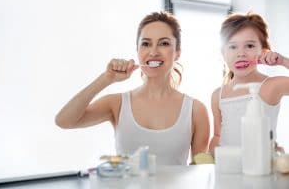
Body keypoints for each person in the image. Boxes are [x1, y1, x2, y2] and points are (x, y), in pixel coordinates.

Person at [55, 11, 210, 165]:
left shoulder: (195, 110)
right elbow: (64, 121)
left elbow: (200, 170)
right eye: (146, 44)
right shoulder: (117, 104)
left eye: (164, 43)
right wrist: (106, 79)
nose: (153, 52)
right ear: (137, 51)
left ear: (177, 53)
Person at [209, 12, 289, 153]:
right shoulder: (218, 95)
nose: (241, 53)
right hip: (229, 172)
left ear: (263, 51)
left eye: (250, 46)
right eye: (233, 47)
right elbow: (217, 136)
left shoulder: (271, 86)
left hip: (262, 170)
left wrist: (283, 61)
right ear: (223, 53)